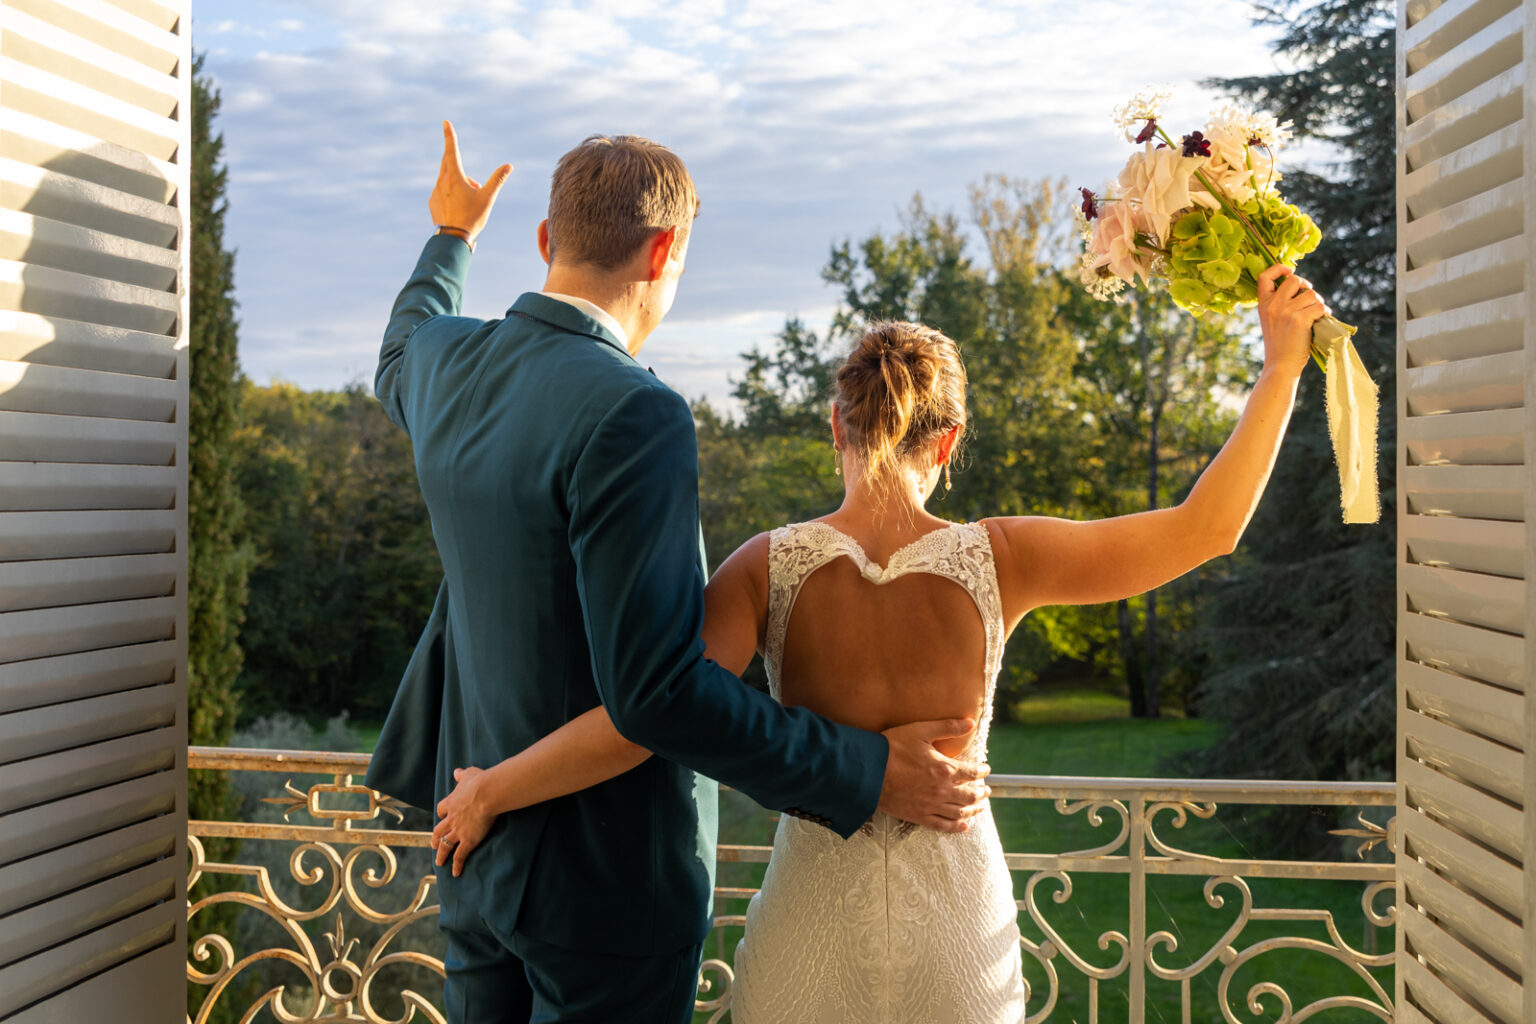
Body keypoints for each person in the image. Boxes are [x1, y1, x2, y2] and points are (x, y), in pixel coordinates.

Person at [431, 267, 1327, 1020]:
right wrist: (1282, 364)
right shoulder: (1003, 558)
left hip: (805, 945)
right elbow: (1208, 527)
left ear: (837, 428)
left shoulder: (765, 568)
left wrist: (493, 791)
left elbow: (646, 714)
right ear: (951, 441)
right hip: (956, 944)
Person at [367, 123, 992, 1024]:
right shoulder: (634, 412)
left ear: (547, 241)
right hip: (608, 888)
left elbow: (401, 342)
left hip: (474, 849)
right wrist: (864, 770)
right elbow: (658, 692)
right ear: (665, 249)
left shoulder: (443, 366)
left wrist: (451, 237)